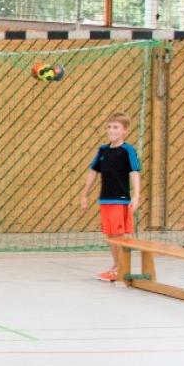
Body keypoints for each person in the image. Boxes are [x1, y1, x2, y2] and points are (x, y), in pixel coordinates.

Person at [78, 112, 141, 282]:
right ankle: (116, 267)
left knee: (119, 236)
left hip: (120, 200)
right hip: (105, 200)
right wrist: (84, 195)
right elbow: (93, 172)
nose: (111, 130)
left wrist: (136, 196)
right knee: (110, 236)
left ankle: (121, 269)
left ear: (125, 130)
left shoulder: (128, 150)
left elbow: (134, 173)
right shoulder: (103, 150)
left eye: (116, 127)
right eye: (109, 127)